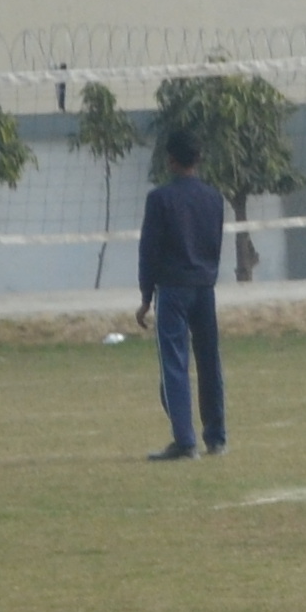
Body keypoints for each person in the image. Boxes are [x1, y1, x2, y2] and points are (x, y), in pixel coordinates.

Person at [132, 132, 226, 460]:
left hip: (173, 289)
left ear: (171, 160)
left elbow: (149, 249)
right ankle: (216, 437)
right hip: (205, 287)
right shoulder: (214, 198)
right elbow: (215, 243)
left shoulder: (160, 199)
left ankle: (185, 442)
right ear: (198, 159)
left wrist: (146, 296)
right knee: (209, 361)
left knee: (174, 363)